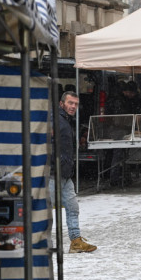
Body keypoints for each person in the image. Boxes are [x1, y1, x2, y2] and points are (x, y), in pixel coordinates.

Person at [51, 92, 96, 253]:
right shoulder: (54, 119)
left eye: (75, 104)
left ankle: (76, 241)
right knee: (45, 210)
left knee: (72, 207)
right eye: (70, 103)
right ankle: (41, 243)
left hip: (64, 174)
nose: (73, 106)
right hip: (52, 173)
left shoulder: (65, 120)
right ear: (61, 103)